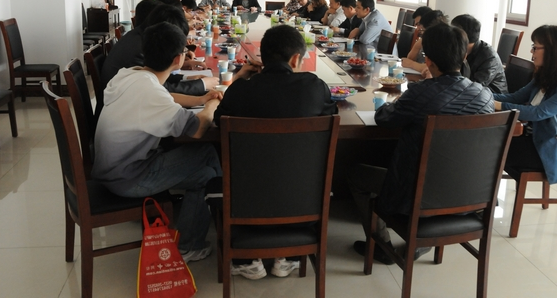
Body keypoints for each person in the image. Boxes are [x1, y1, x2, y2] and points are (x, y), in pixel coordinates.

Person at [348, 23, 494, 264]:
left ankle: (381, 246)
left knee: (356, 174)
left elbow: (384, 118)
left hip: (418, 193)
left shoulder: (421, 93)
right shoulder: (484, 95)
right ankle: (423, 243)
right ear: (464, 56)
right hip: (471, 193)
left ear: (428, 61)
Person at [212, 24, 337, 280]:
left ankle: (248, 258)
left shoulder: (241, 90)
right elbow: (330, 114)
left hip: (246, 202)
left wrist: (240, 78)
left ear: (262, 58)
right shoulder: (314, 87)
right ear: (295, 59)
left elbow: (217, 119)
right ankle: (288, 256)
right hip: (301, 200)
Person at [92, 21, 223, 264]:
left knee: (206, 173)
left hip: (111, 169)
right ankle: (213, 228)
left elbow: (165, 95)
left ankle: (207, 222)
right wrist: (212, 104)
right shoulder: (151, 93)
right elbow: (197, 129)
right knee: (206, 153)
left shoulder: (130, 74)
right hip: (128, 177)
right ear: (178, 59)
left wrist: (201, 98)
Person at [494, 25, 557, 184]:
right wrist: (481, 95)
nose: (531, 51)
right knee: (488, 143)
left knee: (489, 148)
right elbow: (515, 97)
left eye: (535, 47)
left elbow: (538, 113)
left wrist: (497, 105)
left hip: (552, 152)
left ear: (552, 50)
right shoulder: (546, 75)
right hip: (535, 140)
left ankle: (480, 197)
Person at [451, 14, 508, 94]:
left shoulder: (489, 57)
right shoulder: (459, 49)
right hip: (470, 94)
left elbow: (476, 87)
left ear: (463, 35)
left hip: (493, 97)